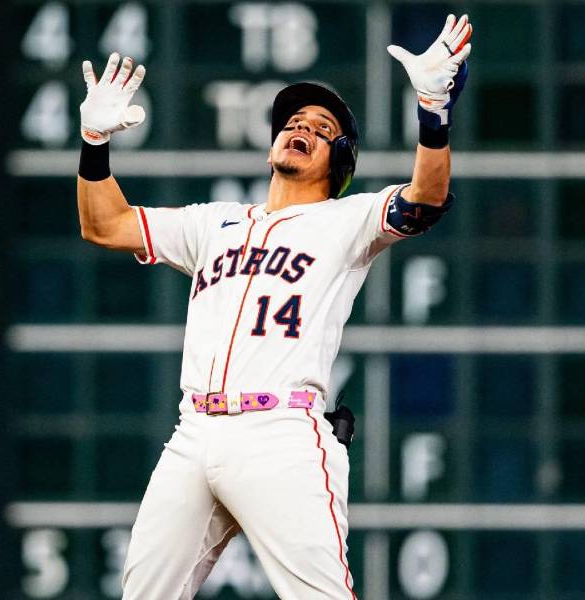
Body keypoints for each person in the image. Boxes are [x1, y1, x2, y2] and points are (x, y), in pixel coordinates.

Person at [76, 14, 472, 600]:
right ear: (270, 147)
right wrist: (93, 143)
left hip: (281, 432)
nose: (301, 128)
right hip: (193, 430)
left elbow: (425, 200)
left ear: (339, 161)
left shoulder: (346, 219)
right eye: (292, 122)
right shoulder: (213, 223)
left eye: (320, 128)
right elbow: (104, 225)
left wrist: (432, 112)